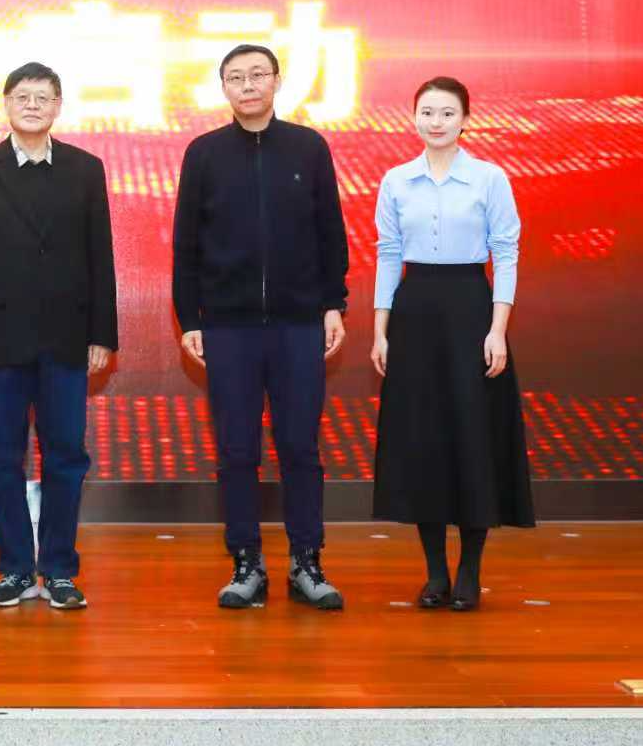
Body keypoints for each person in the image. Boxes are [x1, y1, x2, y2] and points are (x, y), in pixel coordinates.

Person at [172, 43, 349, 611]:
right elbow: (186, 245)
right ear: (223, 87)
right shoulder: (204, 153)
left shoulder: (308, 146)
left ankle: (306, 560)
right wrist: (190, 318)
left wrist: (333, 304)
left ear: (277, 81)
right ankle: (246, 561)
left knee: (299, 446)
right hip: (228, 326)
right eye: (235, 77)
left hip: (299, 322)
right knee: (236, 448)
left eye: (257, 75)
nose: (247, 85)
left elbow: (330, 232)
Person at [0, 63, 117, 610]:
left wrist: (102, 333)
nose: (32, 105)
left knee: (66, 456)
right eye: (22, 96)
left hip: (67, 337)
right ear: (6, 104)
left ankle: (60, 570)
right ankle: (16, 570)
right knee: (4, 460)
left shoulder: (85, 169)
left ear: (58, 107)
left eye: (43, 97)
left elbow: (100, 257)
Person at [370, 76, 534, 611]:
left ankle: (470, 570)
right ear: (413, 118)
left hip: (470, 309)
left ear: (465, 120)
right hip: (414, 311)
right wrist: (380, 330)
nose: (436, 122)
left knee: (471, 437)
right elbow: (388, 254)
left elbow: (505, 253)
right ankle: (435, 573)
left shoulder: (489, 178)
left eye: (447, 113)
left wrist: (498, 329)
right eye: (427, 112)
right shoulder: (396, 181)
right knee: (425, 441)